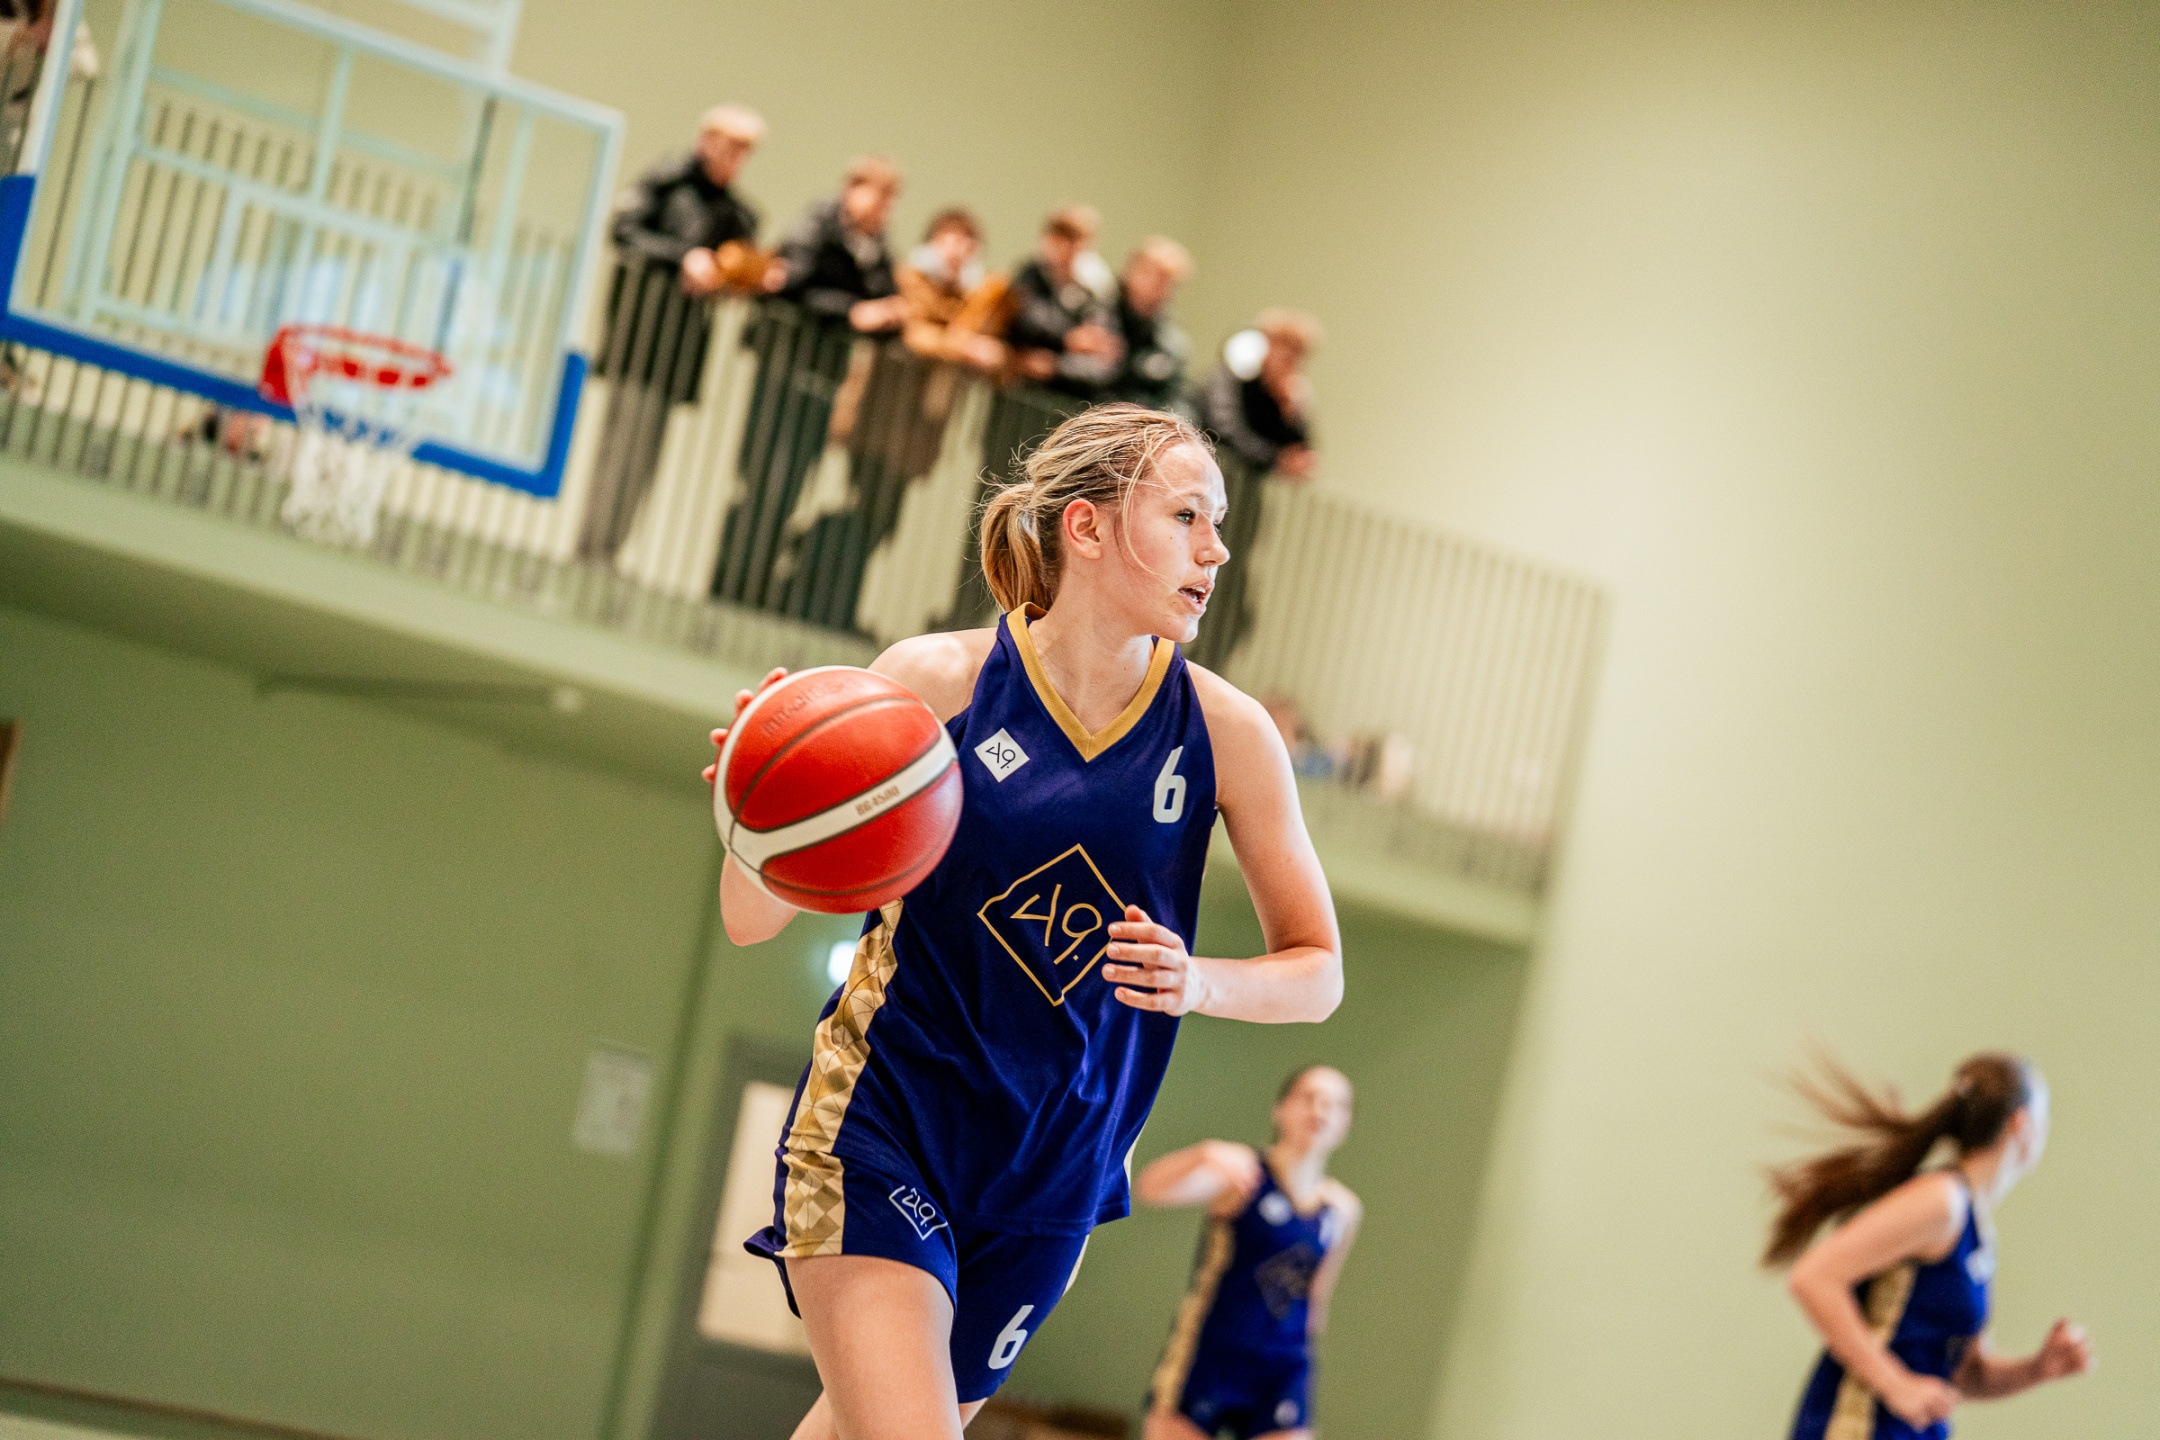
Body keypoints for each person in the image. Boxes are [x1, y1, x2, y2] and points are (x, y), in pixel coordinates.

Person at [703, 404, 1345, 1439]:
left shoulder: (1227, 733)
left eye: (1218, 523)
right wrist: (758, 811)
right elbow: (750, 920)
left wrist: (1199, 980)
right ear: (1086, 527)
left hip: (1055, 1179)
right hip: (885, 1132)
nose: (1216, 551)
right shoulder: (936, 682)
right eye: (1187, 516)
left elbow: (1318, 973)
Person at [1770, 1052, 2094, 1440]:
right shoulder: (1942, 1201)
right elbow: (1813, 1278)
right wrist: (1894, 1383)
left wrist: (2037, 1369)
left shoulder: (1976, 1228)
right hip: (1858, 1425)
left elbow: (1966, 1374)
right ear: (2020, 1124)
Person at [713, 157, 909, 609]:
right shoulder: (816, 228)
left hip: (822, 380)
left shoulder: (875, 248)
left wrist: (889, 312)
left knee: (792, 486)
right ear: (852, 190)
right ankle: (730, 585)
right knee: (763, 480)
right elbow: (791, 285)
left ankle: (756, 587)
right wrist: (852, 312)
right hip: (784, 369)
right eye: (878, 196)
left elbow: (885, 300)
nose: (883, 209)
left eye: (890, 201)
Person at [580, 104, 772, 563]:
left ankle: (610, 550)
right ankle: (590, 550)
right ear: (706, 141)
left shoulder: (735, 213)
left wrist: (743, 276)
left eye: (744, 151)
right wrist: (682, 258)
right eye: (729, 146)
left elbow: (739, 261)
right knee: (619, 448)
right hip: (640, 336)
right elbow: (623, 231)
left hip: (679, 349)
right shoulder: (665, 185)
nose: (735, 158)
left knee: (646, 456)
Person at [1139, 1064, 1362, 1440]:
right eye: (1310, 1097)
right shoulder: (1243, 1174)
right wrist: (1203, 1153)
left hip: (1281, 1365)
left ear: (1345, 1124)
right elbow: (1149, 1189)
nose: (1321, 1111)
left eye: (1336, 1105)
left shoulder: (1342, 1209)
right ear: (1281, 1109)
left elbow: (1317, 1299)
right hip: (1212, 1353)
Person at [1190, 309, 1322, 670]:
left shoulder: (1285, 395)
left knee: (1233, 601)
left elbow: (1301, 453)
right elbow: (1222, 428)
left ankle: (1204, 668)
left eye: (1297, 354)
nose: (1288, 360)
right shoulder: (1232, 376)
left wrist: (1292, 413)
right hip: (1210, 493)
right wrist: (1275, 458)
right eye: (1283, 348)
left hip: (1244, 503)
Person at [1003, 204, 1123, 399]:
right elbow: (1027, 319)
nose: (1066, 248)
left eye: (1075, 240)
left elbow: (1105, 359)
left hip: (1070, 397)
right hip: (1022, 392)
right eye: (1060, 237)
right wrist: (1070, 338)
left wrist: (1056, 367)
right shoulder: (1030, 274)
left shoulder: (1097, 291)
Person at [1113, 238, 1194, 412]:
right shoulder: (1093, 316)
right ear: (1130, 271)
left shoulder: (1172, 345)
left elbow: (1177, 400)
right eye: (1148, 273)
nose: (1154, 284)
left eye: (1165, 279)